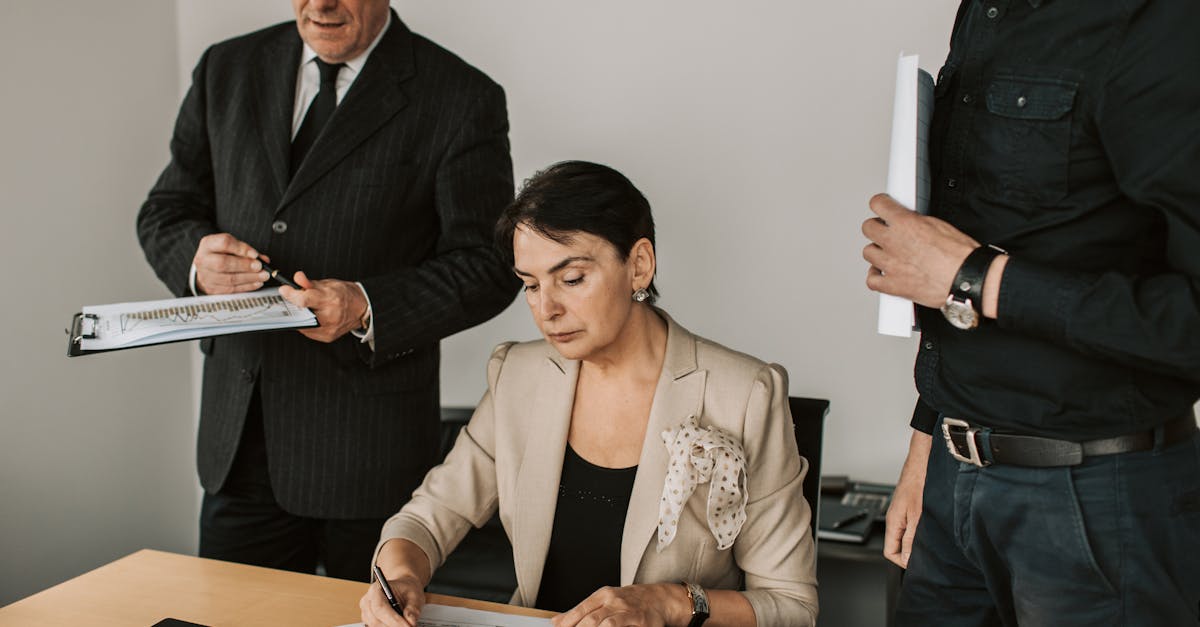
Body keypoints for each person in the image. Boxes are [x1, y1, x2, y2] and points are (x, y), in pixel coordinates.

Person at [136, 0, 517, 581]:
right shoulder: (225, 68)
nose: (320, 5)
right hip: (238, 448)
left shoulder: (462, 96)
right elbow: (166, 209)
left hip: (369, 457)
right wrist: (196, 260)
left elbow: (490, 264)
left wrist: (366, 304)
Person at [359, 161, 818, 627]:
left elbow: (792, 606)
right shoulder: (517, 373)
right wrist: (400, 575)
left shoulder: (743, 393)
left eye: (572, 279)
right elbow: (431, 514)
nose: (547, 310)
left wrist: (667, 603)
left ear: (638, 265)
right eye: (531, 285)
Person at [862, 1, 1200, 625]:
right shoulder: (985, 12)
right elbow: (983, 224)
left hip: (1097, 499)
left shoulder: (1159, 22)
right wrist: (925, 444)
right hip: (952, 481)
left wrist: (977, 278)